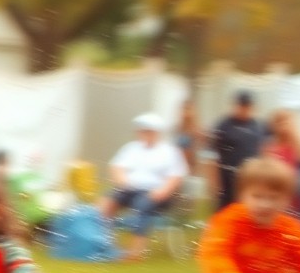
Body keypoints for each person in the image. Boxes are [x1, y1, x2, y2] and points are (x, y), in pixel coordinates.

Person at [99, 112, 188, 261]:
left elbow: (176, 177)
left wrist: (161, 192)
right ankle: (104, 242)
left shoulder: (169, 152)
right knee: (107, 201)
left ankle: (135, 252)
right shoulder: (131, 148)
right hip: (132, 189)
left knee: (143, 205)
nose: (144, 134)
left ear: (156, 133)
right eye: (142, 131)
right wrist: (122, 182)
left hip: (157, 193)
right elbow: (116, 167)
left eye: (148, 131)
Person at [209, 91, 266, 211]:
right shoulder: (224, 125)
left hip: (249, 177)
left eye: (247, 106)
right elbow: (212, 156)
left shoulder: (257, 126)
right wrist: (214, 183)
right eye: (241, 106)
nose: (244, 109)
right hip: (227, 178)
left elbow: (262, 150)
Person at [175, 98, 202, 172]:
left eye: (188, 109)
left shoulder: (196, 130)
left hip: (191, 165)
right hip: (179, 165)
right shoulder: (179, 128)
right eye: (184, 109)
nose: (186, 113)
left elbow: (197, 150)